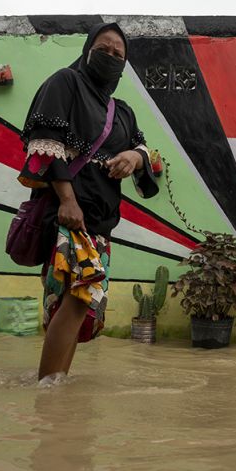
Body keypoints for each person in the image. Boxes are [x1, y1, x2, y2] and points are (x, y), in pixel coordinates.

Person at [16, 22, 158, 384]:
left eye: (118, 54)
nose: (110, 57)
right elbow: (44, 138)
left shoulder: (122, 111)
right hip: (69, 214)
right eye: (104, 48)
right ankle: (48, 388)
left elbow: (143, 148)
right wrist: (67, 199)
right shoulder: (65, 83)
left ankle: (56, 382)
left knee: (79, 304)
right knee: (78, 297)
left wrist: (135, 157)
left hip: (101, 220)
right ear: (87, 49)